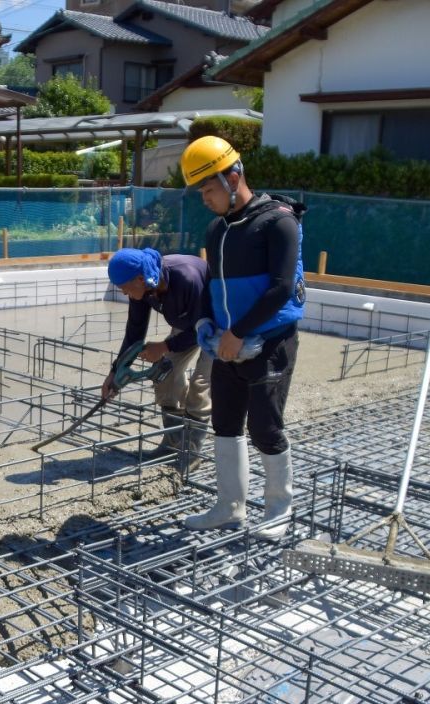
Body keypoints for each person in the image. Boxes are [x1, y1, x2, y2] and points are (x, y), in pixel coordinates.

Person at [179, 136, 306, 540]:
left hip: (269, 341)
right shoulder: (217, 230)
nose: (205, 197)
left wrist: (238, 332)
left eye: (209, 187)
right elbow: (210, 285)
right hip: (227, 343)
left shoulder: (278, 222)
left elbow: (283, 288)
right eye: (200, 190)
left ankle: (278, 508)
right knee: (226, 424)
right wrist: (206, 326)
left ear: (234, 176)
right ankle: (229, 507)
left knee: (265, 427)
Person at [103, 247, 211, 464]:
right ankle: (172, 445)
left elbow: (202, 329)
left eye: (124, 288)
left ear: (140, 278)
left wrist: (164, 346)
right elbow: (135, 331)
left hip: (217, 326)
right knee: (165, 377)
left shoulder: (186, 278)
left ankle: (190, 453)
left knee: (200, 385)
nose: (124, 293)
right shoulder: (145, 288)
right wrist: (115, 372)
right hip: (186, 325)